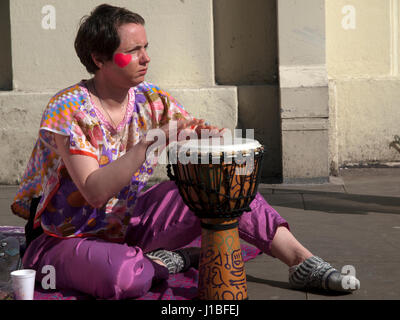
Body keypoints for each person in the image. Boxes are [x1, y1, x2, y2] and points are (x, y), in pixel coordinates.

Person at [11, 4, 359, 300]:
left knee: (224, 188)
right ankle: (166, 261)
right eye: (133, 51)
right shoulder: (67, 109)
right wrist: (149, 142)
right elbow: (95, 191)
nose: (146, 58)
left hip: (131, 224)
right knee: (122, 278)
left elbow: (202, 130)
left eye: (146, 47)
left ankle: (301, 261)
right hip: (65, 238)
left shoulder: (151, 99)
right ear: (99, 58)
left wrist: (221, 140)